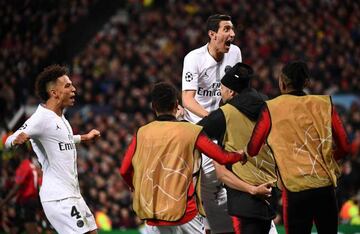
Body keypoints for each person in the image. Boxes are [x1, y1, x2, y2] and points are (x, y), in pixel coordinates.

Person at [119, 82, 246, 234]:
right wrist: (241, 154)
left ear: (153, 107)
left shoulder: (141, 133)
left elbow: (124, 170)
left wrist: (133, 185)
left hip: (153, 216)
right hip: (186, 215)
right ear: (176, 104)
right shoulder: (191, 131)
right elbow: (222, 157)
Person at [246, 61, 350, 234]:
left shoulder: (271, 108)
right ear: (307, 83)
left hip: (295, 189)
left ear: (282, 82)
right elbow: (345, 147)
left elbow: (252, 149)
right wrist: (325, 159)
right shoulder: (324, 104)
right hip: (324, 187)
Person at [4, 65, 100, 234]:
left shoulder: (61, 117)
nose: (74, 89)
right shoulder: (40, 118)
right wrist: (15, 140)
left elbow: (64, 140)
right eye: (68, 86)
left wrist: (84, 137)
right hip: (59, 198)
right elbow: (9, 139)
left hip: (73, 194)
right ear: (54, 93)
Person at [198, 62, 278, 234]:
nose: (219, 91)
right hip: (270, 191)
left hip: (243, 196)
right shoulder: (270, 106)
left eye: (222, 87)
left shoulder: (225, 114)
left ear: (231, 92)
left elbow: (194, 134)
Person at [182, 14, 242, 233]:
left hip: (225, 125)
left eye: (232, 29)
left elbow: (238, 89)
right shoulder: (193, 58)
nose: (232, 35)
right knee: (210, 183)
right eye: (226, 29)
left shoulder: (235, 53)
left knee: (233, 175)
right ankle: (212, 226)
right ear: (212, 34)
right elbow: (187, 99)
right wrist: (212, 118)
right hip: (201, 128)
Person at [0, 147, 41, 234]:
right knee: (15, 228)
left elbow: (16, 187)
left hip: (27, 201)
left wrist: (4, 202)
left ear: (18, 154)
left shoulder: (24, 167)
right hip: (28, 200)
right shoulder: (31, 166)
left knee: (30, 228)